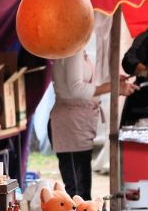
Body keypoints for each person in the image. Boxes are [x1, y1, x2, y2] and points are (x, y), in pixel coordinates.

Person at [49, 50, 136, 200]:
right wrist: (112, 86)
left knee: (82, 190)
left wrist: (111, 84)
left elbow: (82, 85)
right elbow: (76, 89)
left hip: (79, 123)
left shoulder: (80, 52)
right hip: (71, 126)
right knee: (76, 191)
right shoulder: (72, 53)